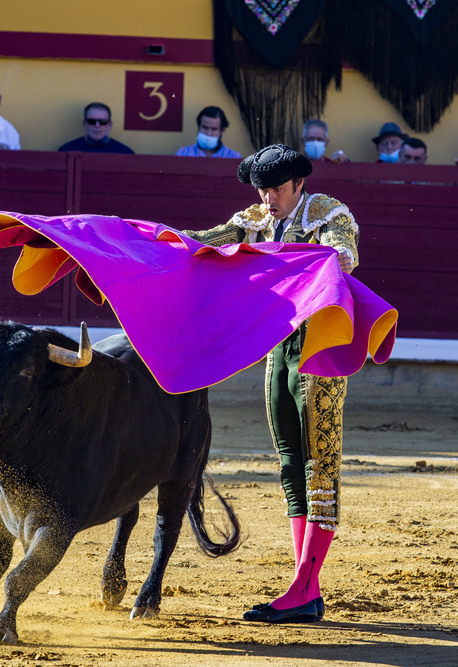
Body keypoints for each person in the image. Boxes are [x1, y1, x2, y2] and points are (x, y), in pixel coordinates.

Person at [179, 144, 357, 624]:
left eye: (276, 188)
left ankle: (304, 587)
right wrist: (160, 240)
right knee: (289, 461)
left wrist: (293, 260)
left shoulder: (327, 214)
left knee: (319, 462)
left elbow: (344, 258)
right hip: (279, 349)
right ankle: (305, 587)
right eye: (262, 188)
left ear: (298, 184)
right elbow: (209, 240)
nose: (268, 197)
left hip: (319, 351)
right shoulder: (258, 216)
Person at [57, 102, 133, 153]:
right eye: (91, 121)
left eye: (103, 122)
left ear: (110, 125)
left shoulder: (125, 153)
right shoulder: (66, 151)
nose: (97, 125)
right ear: (84, 124)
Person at [176, 106, 241, 158]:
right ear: (199, 127)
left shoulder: (233, 157)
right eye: (205, 128)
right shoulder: (183, 154)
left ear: (222, 130)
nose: (208, 133)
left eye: (214, 129)